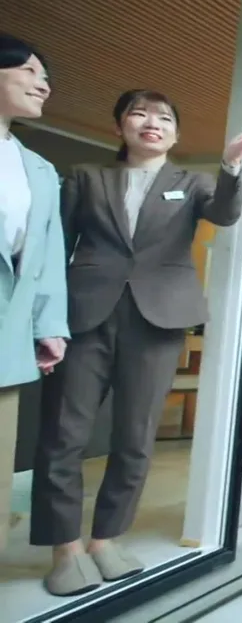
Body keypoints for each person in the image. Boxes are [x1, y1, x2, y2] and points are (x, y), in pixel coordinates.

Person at [29, 89, 242, 596]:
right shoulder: (87, 177)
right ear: (120, 126)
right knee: (63, 435)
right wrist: (44, 317)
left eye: (163, 117)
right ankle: (65, 549)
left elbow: (225, 214)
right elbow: (55, 248)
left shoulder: (192, 182)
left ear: (175, 134)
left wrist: (230, 164)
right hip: (84, 315)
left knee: (135, 437)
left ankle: (106, 539)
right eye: (138, 113)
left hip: (158, 320)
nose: (151, 123)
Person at [0, 35, 70, 558]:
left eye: (45, 76)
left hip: (7, 341)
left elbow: (46, 259)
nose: (42, 84)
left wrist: (48, 327)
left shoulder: (39, 169)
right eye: (28, 70)